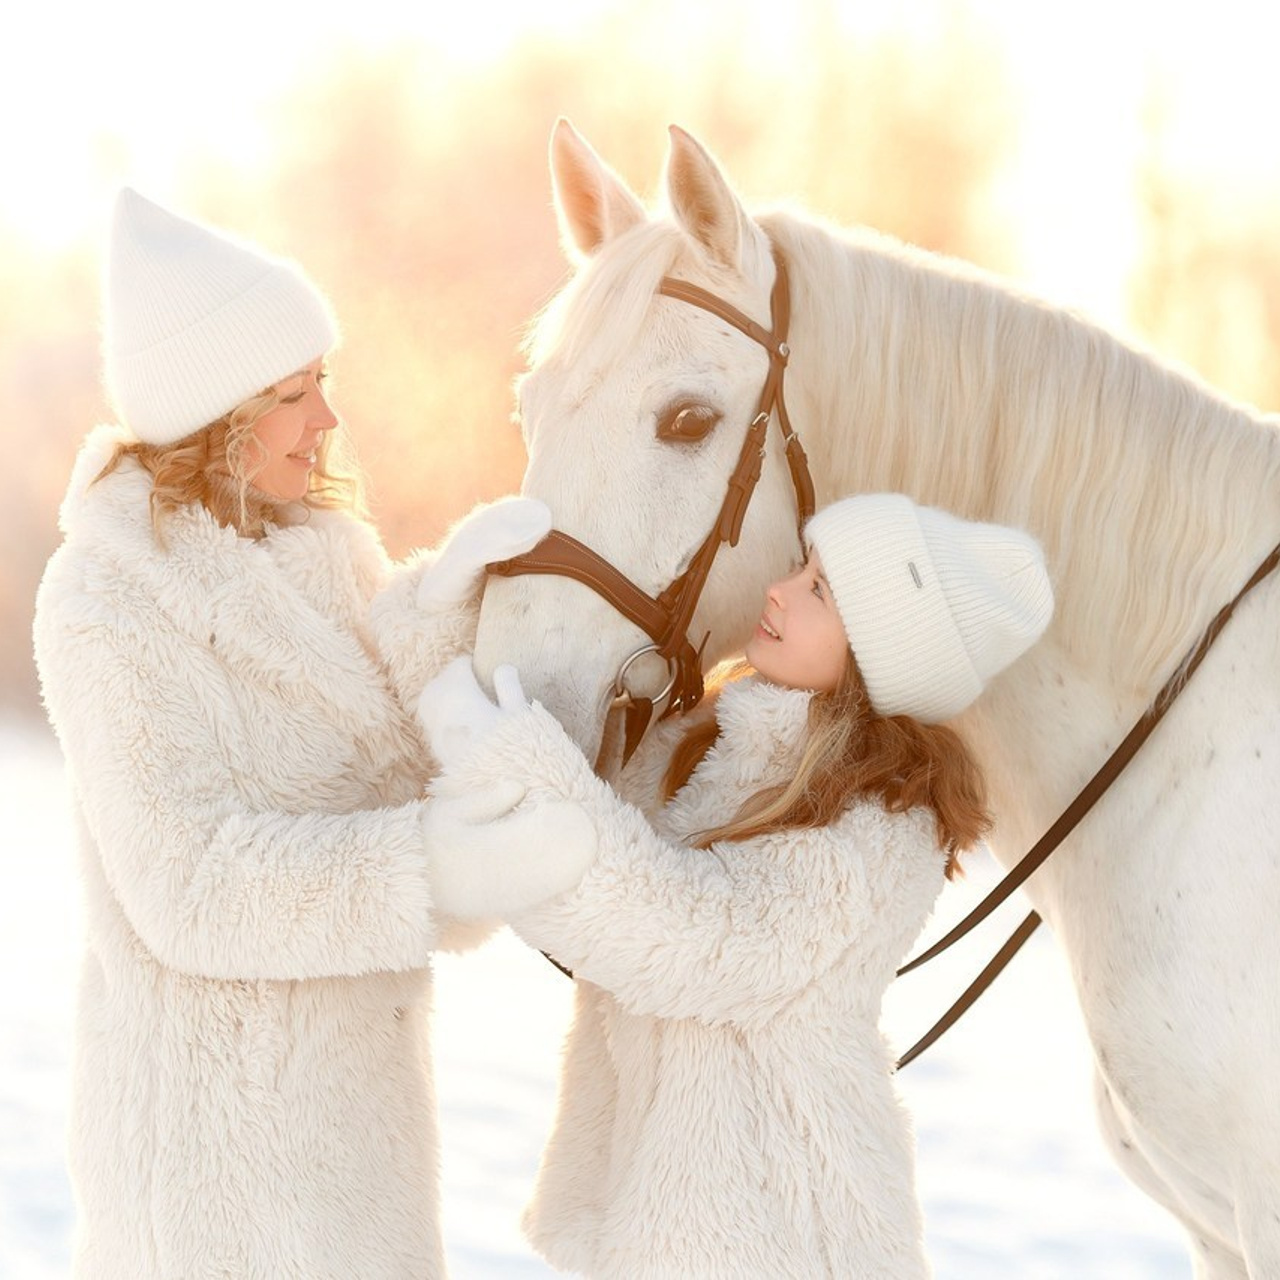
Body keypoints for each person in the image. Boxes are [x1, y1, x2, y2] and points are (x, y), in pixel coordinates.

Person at [32, 188, 596, 1279]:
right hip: (218, 1174)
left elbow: (399, 769)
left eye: (322, 380)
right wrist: (430, 865)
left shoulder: (331, 554)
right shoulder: (104, 599)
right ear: (213, 416)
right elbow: (188, 884)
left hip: (359, 1156)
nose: (327, 418)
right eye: (292, 394)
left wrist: (450, 613)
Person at [419, 493, 1055, 1279]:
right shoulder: (707, 744)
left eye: (821, 589)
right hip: (653, 1206)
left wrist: (516, 766)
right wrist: (452, 631)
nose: (779, 590)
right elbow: (580, 890)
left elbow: (690, 942)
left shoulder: (880, 825)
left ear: (881, 650)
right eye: (799, 566)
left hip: (784, 1229)